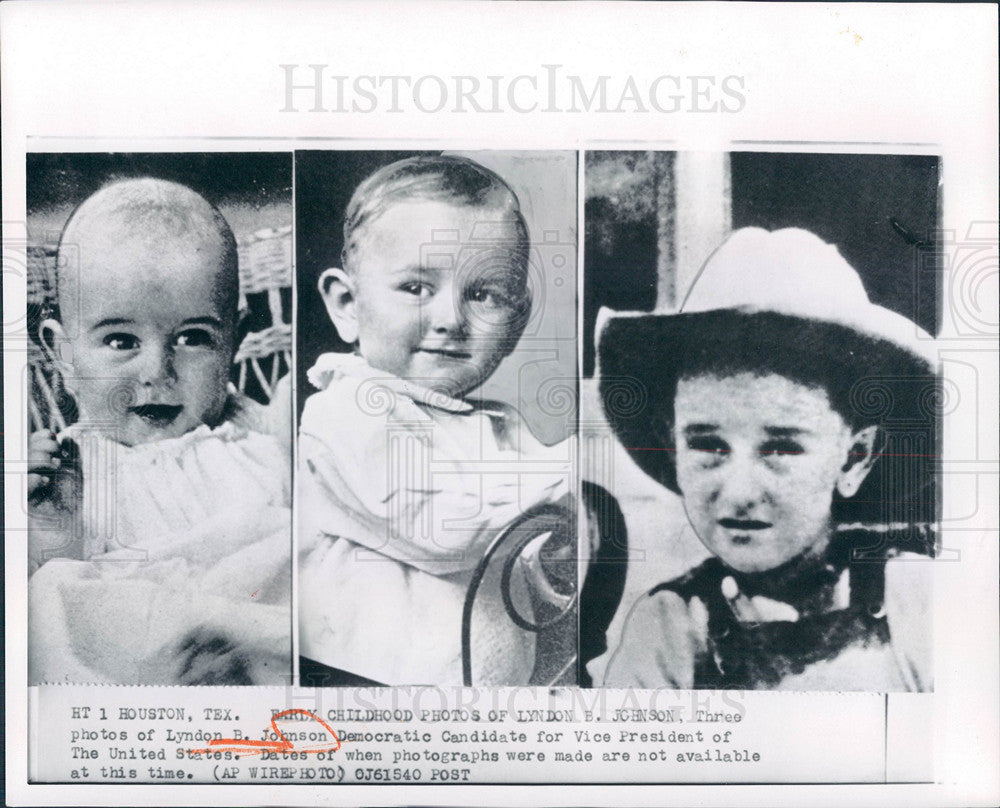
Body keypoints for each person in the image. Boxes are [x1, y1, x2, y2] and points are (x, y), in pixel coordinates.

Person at [598, 227, 938, 691]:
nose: (738, 493)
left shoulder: (916, 602)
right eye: (708, 445)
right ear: (672, 442)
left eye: (781, 447)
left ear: (855, 458)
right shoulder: (671, 629)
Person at [298, 156, 572, 686]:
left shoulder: (502, 428)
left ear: (516, 320)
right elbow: (442, 530)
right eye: (417, 288)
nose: (450, 319)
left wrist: (555, 557)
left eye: (484, 295)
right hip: (369, 685)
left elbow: (518, 554)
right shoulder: (349, 410)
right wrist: (570, 476)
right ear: (348, 305)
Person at [27, 177, 291, 685]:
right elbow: (70, 603)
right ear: (64, 354)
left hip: (257, 653)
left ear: (233, 341)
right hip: (149, 671)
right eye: (121, 340)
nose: (157, 370)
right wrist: (53, 531)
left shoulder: (261, 440)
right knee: (52, 588)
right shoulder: (69, 474)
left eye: (193, 338)